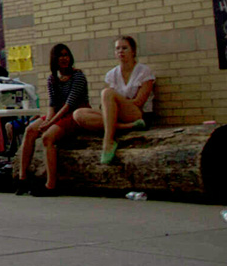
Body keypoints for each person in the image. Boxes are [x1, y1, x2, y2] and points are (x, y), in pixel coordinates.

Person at [16, 43, 91, 197]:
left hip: (75, 113)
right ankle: (22, 178)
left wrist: (50, 124)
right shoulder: (52, 79)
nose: (64, 58)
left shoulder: (78, 76)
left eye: (66, 55)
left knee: (48, 137)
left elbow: (68, 105)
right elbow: (52, 104)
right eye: (60, 56)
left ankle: (51, 185)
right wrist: (46, 121)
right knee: (30, 130)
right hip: (57, 114)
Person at [72, 36, 155, 164]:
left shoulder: (144, 72)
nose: (120, 51)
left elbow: (139, 102)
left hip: (137, 114)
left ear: (133, 51)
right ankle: (127, 127)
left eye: (124, 48)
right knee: (78, 114)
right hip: (118, 117)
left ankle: (108, 141)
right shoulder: (111, 74)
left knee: (107, 93)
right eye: (117, 49)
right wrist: (112, 107)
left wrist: (116, 104)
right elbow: (105, 105)